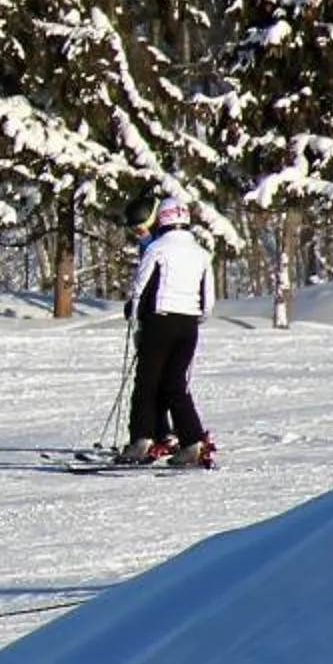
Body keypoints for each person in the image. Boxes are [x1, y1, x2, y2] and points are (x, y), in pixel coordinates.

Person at [122, 198, 217, 465]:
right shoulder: (201, 253)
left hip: (160, 319)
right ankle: (193, 442)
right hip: (188, 325)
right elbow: (208, 301)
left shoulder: (158, 248)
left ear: (161, 220)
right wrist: (195, 320)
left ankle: (142, 440)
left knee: (147, 382)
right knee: (176, 384)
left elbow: (141, 286)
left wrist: (134, 314)